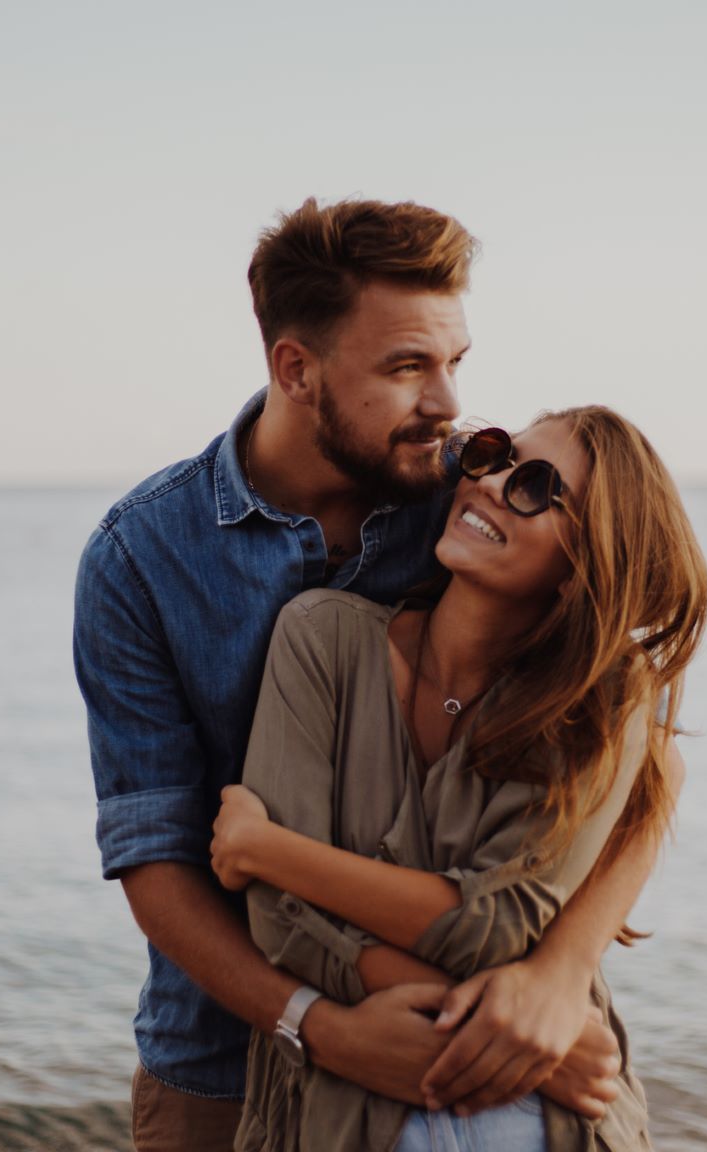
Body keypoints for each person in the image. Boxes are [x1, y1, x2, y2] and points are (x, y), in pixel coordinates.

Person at [74, 199, 667, 1151]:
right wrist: (319, 1025)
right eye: (405, 368)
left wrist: (556, 976)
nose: (447, 405)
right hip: (225, 1062)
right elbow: (158, 859)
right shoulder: (142, 557)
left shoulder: (470, 501)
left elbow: (639, 753)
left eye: (454, 363)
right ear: (297, 369)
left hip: (497, 1058)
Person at [210, 410, 707, 1150]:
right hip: (354, 1116)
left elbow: (497, 925)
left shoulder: (598, 706)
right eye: (495, 454)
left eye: (537, 486)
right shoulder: (322, 640)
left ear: (587, 565)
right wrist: (536, 1041)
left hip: (555, 1125)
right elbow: (280, 921)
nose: (491, 483)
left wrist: (268, 850)